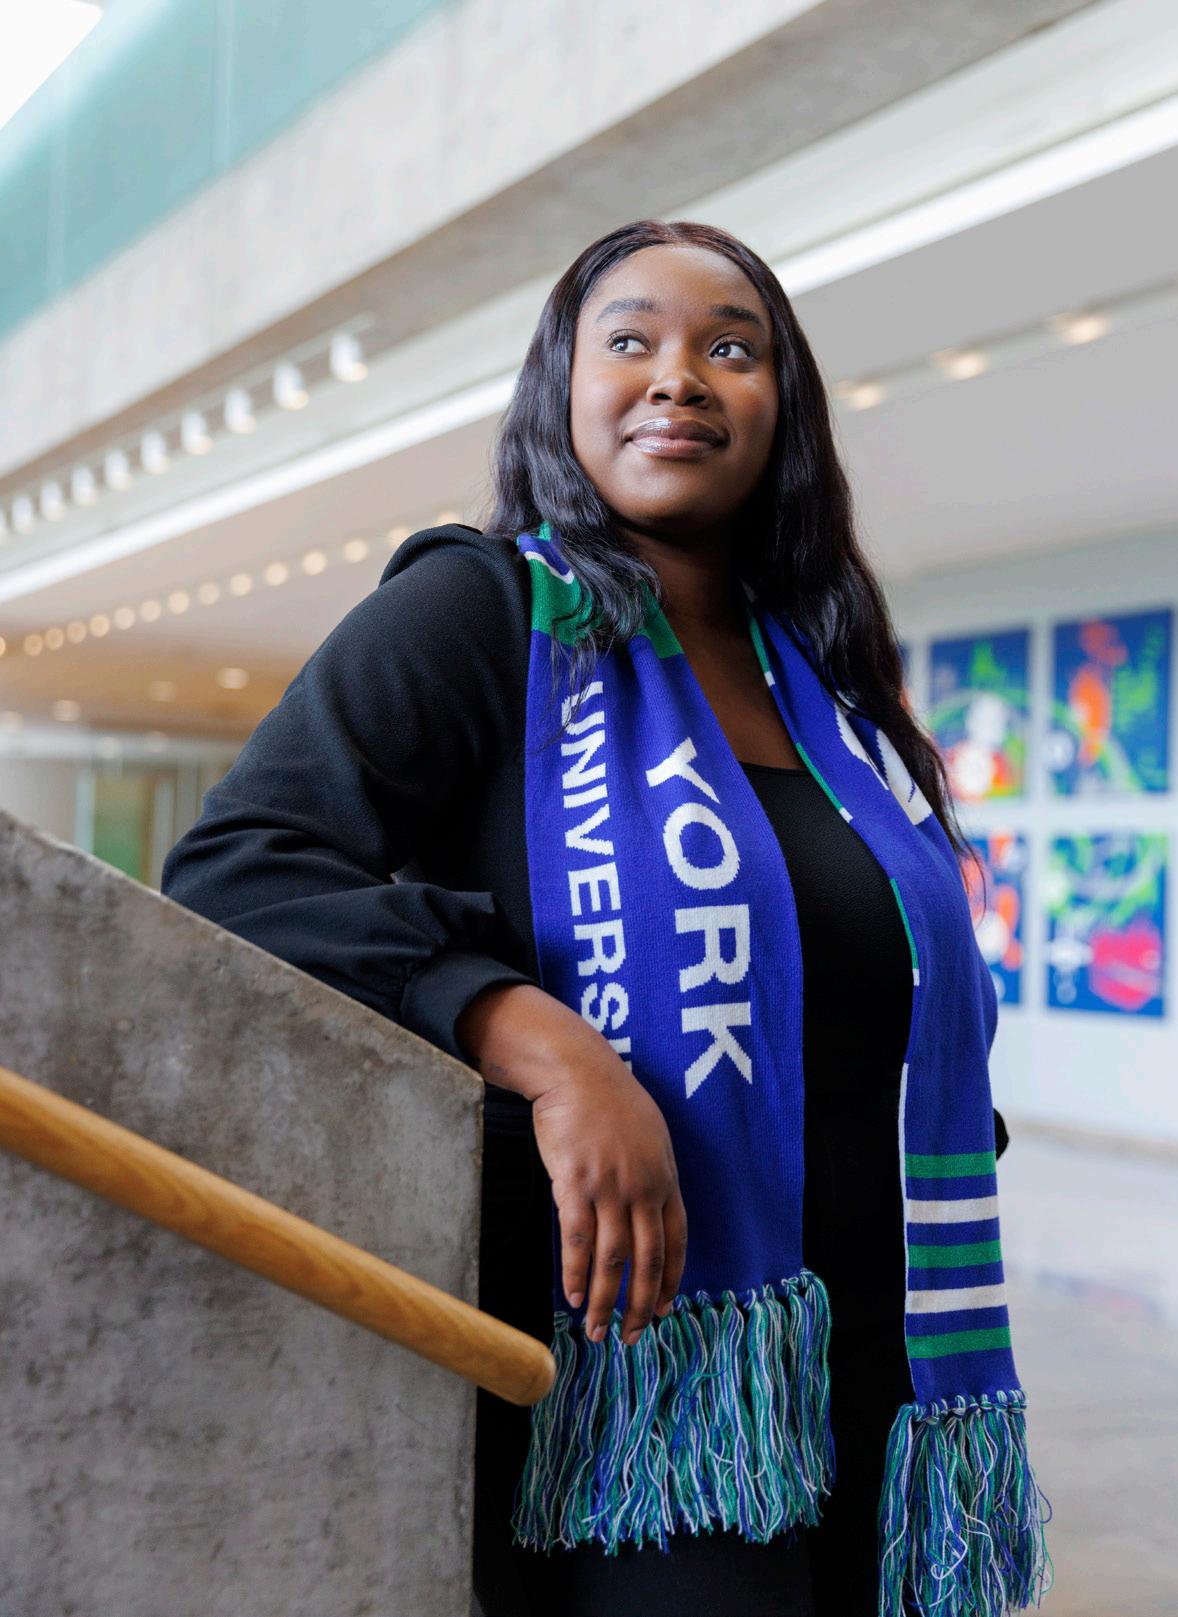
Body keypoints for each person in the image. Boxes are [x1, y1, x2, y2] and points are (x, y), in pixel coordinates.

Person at [162, 219, 1030, 1617]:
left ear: (781, 406)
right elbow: (241, 868)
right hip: (643, 1359)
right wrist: (549, 1048)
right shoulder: (481, 612)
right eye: (630, 339)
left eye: (730, 348)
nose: (678, 375)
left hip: (894, 1354)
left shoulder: (825, 679)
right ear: (562, 388)